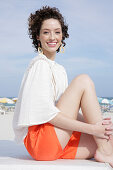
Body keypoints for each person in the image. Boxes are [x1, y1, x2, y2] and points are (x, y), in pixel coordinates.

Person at [13, 6, 113, 167]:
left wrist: (100, 126)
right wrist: (93, 129)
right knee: (83, 80)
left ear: (63, 35)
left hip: (55, 140)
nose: (52, 37)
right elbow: (50, 115)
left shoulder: (60, 70)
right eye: (46, 32)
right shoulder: (39, 65)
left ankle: (106, 150)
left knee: (108, 140)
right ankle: (106, 153)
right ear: (37, 36)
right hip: (41, 140)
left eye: (57, 32)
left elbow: (67, 112)